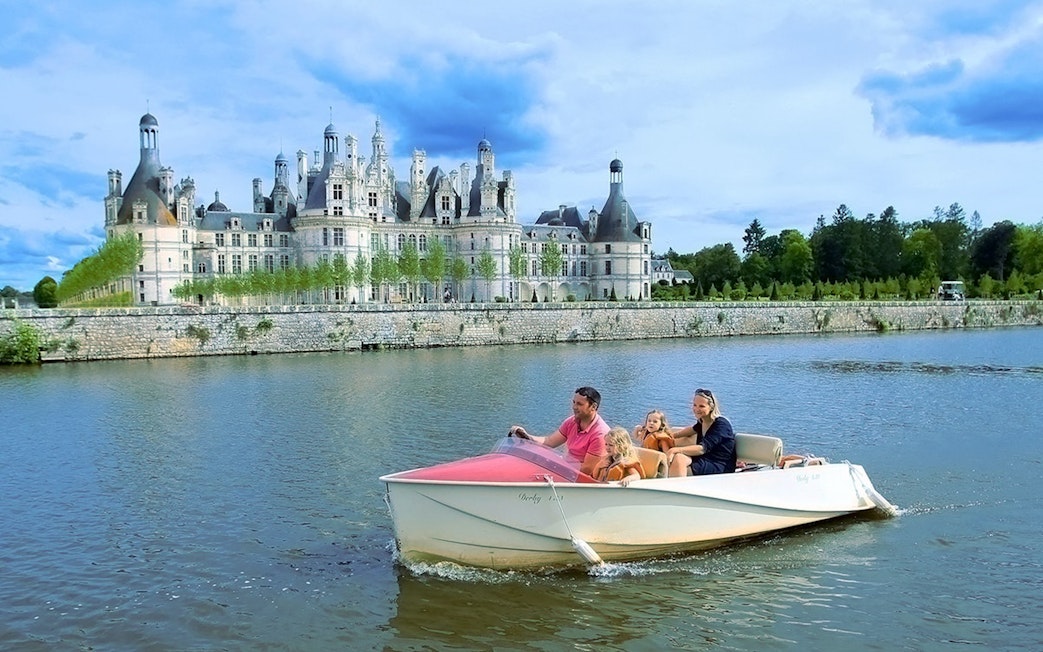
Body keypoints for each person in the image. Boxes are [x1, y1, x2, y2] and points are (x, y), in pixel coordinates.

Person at [511, 386, 609, 476]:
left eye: (579, 404)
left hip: (582, 481)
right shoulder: (571, 422)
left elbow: (587, 469)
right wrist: (527, 437)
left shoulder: (600, 434)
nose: (574, 407)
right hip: (568, 471)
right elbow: (549, 442)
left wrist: (554, 468)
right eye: (574, 402)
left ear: (593, 407)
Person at [666, 388, 736, 477]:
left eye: (701, 406)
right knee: (679, 458)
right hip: (703, 459)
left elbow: (702, 449)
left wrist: (675, 450)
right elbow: (691, 430)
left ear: (711, 407)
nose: (696, 409)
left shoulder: (721, 424)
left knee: (676, 462)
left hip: (719, 464)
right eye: (695, 405)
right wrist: (670, 436)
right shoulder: (702, 421)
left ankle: (677, 487)